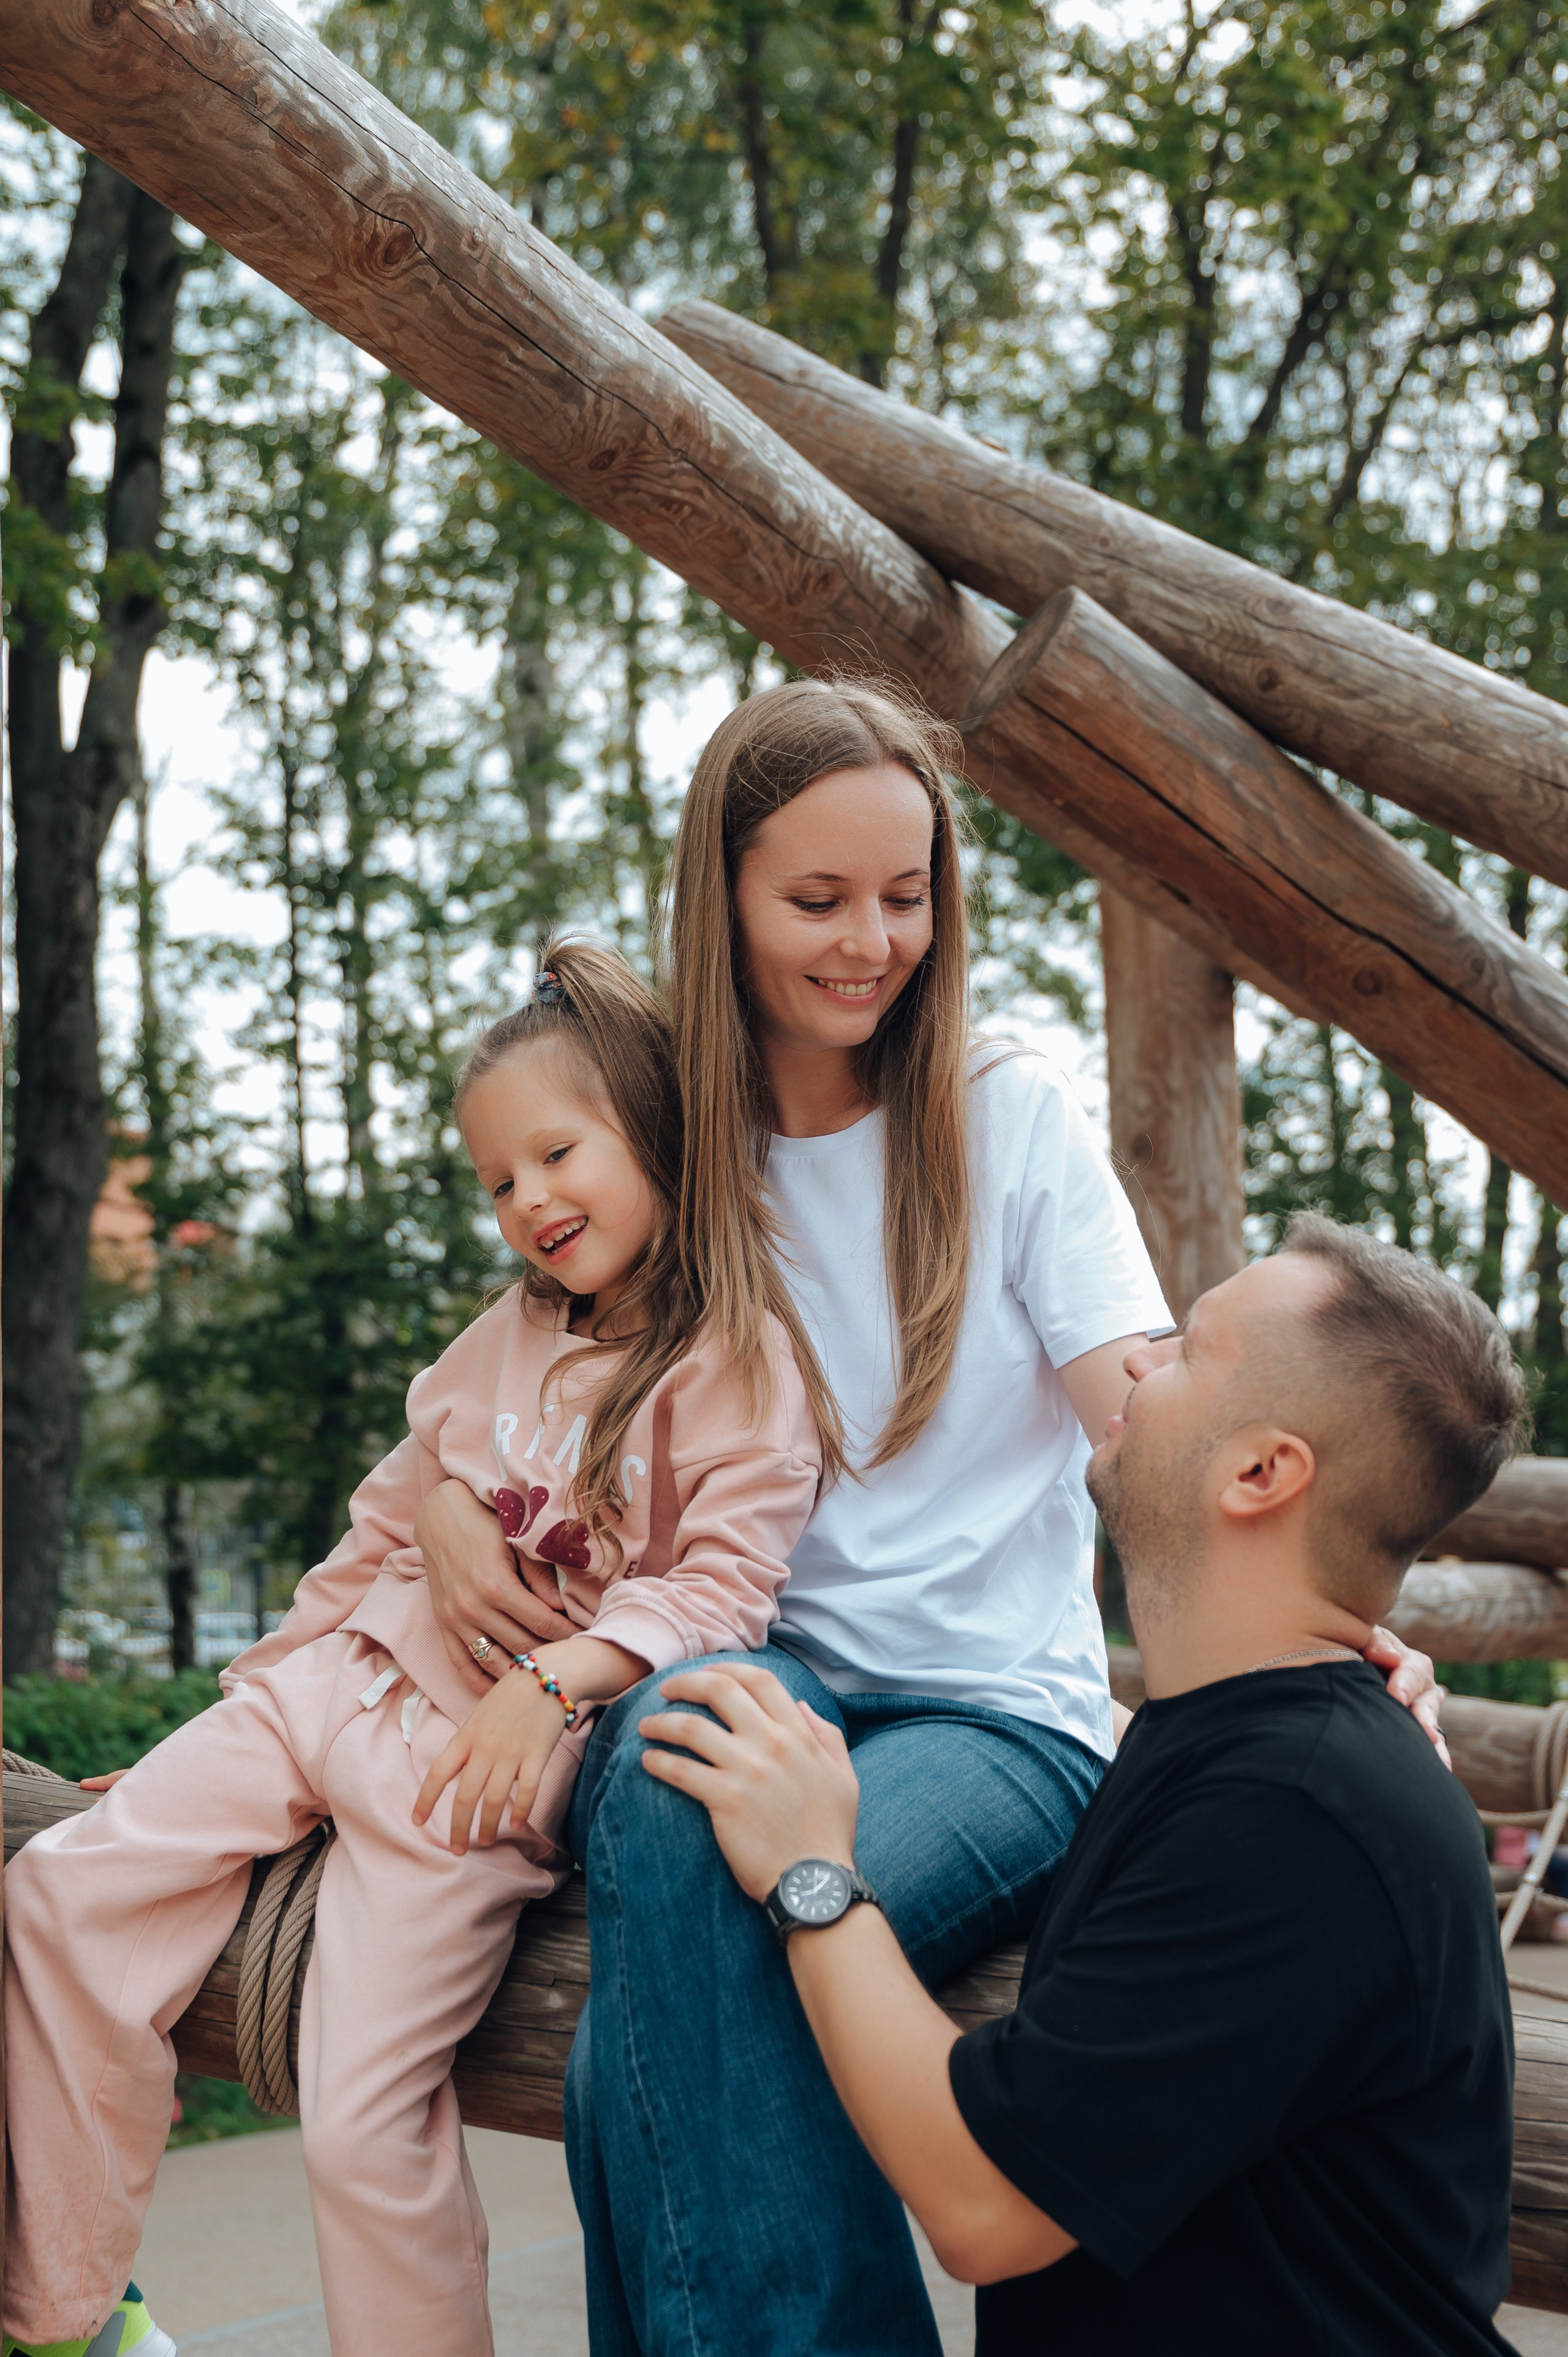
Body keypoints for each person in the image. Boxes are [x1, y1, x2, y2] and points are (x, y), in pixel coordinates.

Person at [413, 677, 1446, 2356]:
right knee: (683, 1750)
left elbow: (1148, 1407)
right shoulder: (669, 1130)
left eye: (908, 896)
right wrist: (449, 1510)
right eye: (815, 899)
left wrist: (1334, 1609)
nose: (870, 941)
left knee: (662, 2026)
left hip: (998, 1719)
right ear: (722, 894)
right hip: (747, 1655)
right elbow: (531, 1367)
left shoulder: (1002, 1109)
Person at [2, 943, 827, 2357]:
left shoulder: (737, 1361)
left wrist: (553, 1681)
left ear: (654, 1129)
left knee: (360, 2109)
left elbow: (726, 1588)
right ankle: (66, 2315)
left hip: (470, 1782)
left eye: (557, 1154)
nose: (529, 1204)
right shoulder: (485, 1348)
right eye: (499, 1181)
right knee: (65, 1892)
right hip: (328, 1689)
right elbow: (371, 1533)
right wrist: (222, 1717)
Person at [641, 1213, 1526, 2356]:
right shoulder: (1239, 1740)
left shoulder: (1294, 1812)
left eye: (1188, 1348)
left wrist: (815, 1869)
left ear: (1261, 1471)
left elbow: (988, 2207)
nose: (1137, 1358)